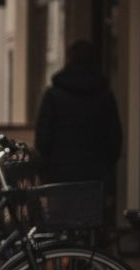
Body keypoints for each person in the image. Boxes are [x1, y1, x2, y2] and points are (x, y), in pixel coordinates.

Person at [35, 40, 123, 193]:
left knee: (61, 215)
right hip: (95, 174)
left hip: (60, 174)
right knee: (92, 216)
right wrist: (105, 166)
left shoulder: (54, 95)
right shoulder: (104, 96)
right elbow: (114, 138)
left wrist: (45, 167)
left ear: (68, 59)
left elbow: (43, 138)